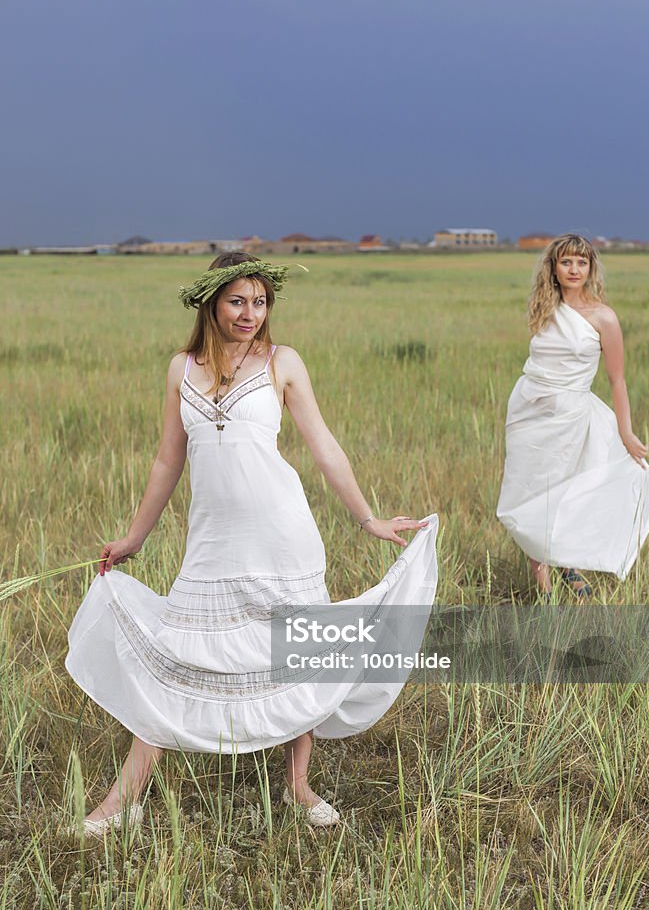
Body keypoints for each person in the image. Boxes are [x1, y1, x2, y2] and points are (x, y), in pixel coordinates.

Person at [65, 251, 438, 834]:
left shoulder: (281, 362)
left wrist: (368, 519)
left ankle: (297, 785)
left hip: (283, 534)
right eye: (237, 300)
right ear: (212, 301)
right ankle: (124, 800)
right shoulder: (180, 369)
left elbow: (325, 447)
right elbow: (168, 458)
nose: (250, 313)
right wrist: (135, 536)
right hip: (212, 543)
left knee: (295, 655)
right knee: (179, 652)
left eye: (260, 301)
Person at [496, 233, 649, 598]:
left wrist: (627, 432)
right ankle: (545, 594)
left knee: (559, 494)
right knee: (526, 496)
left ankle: (567, 567)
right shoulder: (543, 307)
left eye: (581, 263)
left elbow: (617, 380)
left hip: (570, 418)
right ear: (553, 269)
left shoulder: (604, 317)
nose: (574, 269)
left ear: (590, 269)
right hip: (527, 413)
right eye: (566, 262)